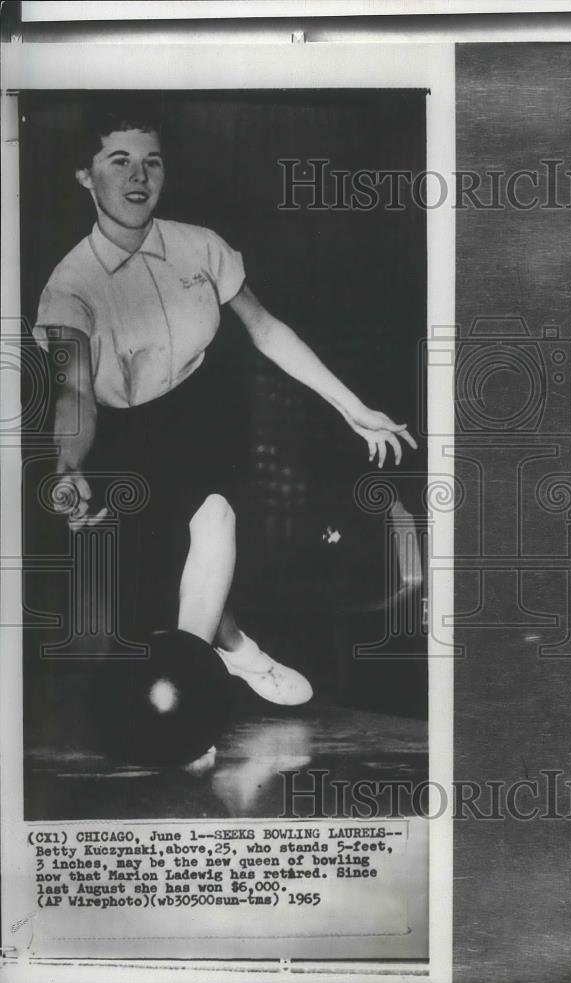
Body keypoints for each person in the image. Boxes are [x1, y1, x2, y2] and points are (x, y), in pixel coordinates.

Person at [32, 102, 417, 700]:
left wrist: (350, 405)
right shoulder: (68, 288)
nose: (139, 177)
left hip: (204, 408)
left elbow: (265, 329)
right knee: (159, 587)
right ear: (87, 176)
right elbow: (75, 389)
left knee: (215, 517)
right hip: (122, 433)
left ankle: (191, 686)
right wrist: (68, 467)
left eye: (152, 162)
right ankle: (237, 649)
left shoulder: (202, 248)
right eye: (120, 161)